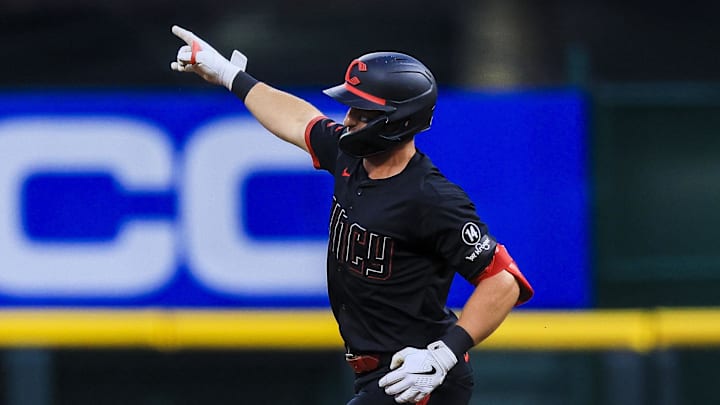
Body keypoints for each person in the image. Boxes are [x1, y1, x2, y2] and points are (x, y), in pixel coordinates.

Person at [170, 25, 534, 405]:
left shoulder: (431, 198)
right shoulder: (351, 157)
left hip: (416, 378)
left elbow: (503, 282)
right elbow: (299, 120)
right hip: (377, 375)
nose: (347, 120)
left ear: (397, 120)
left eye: (362, 113)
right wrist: (230, 75)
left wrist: (441, 356)